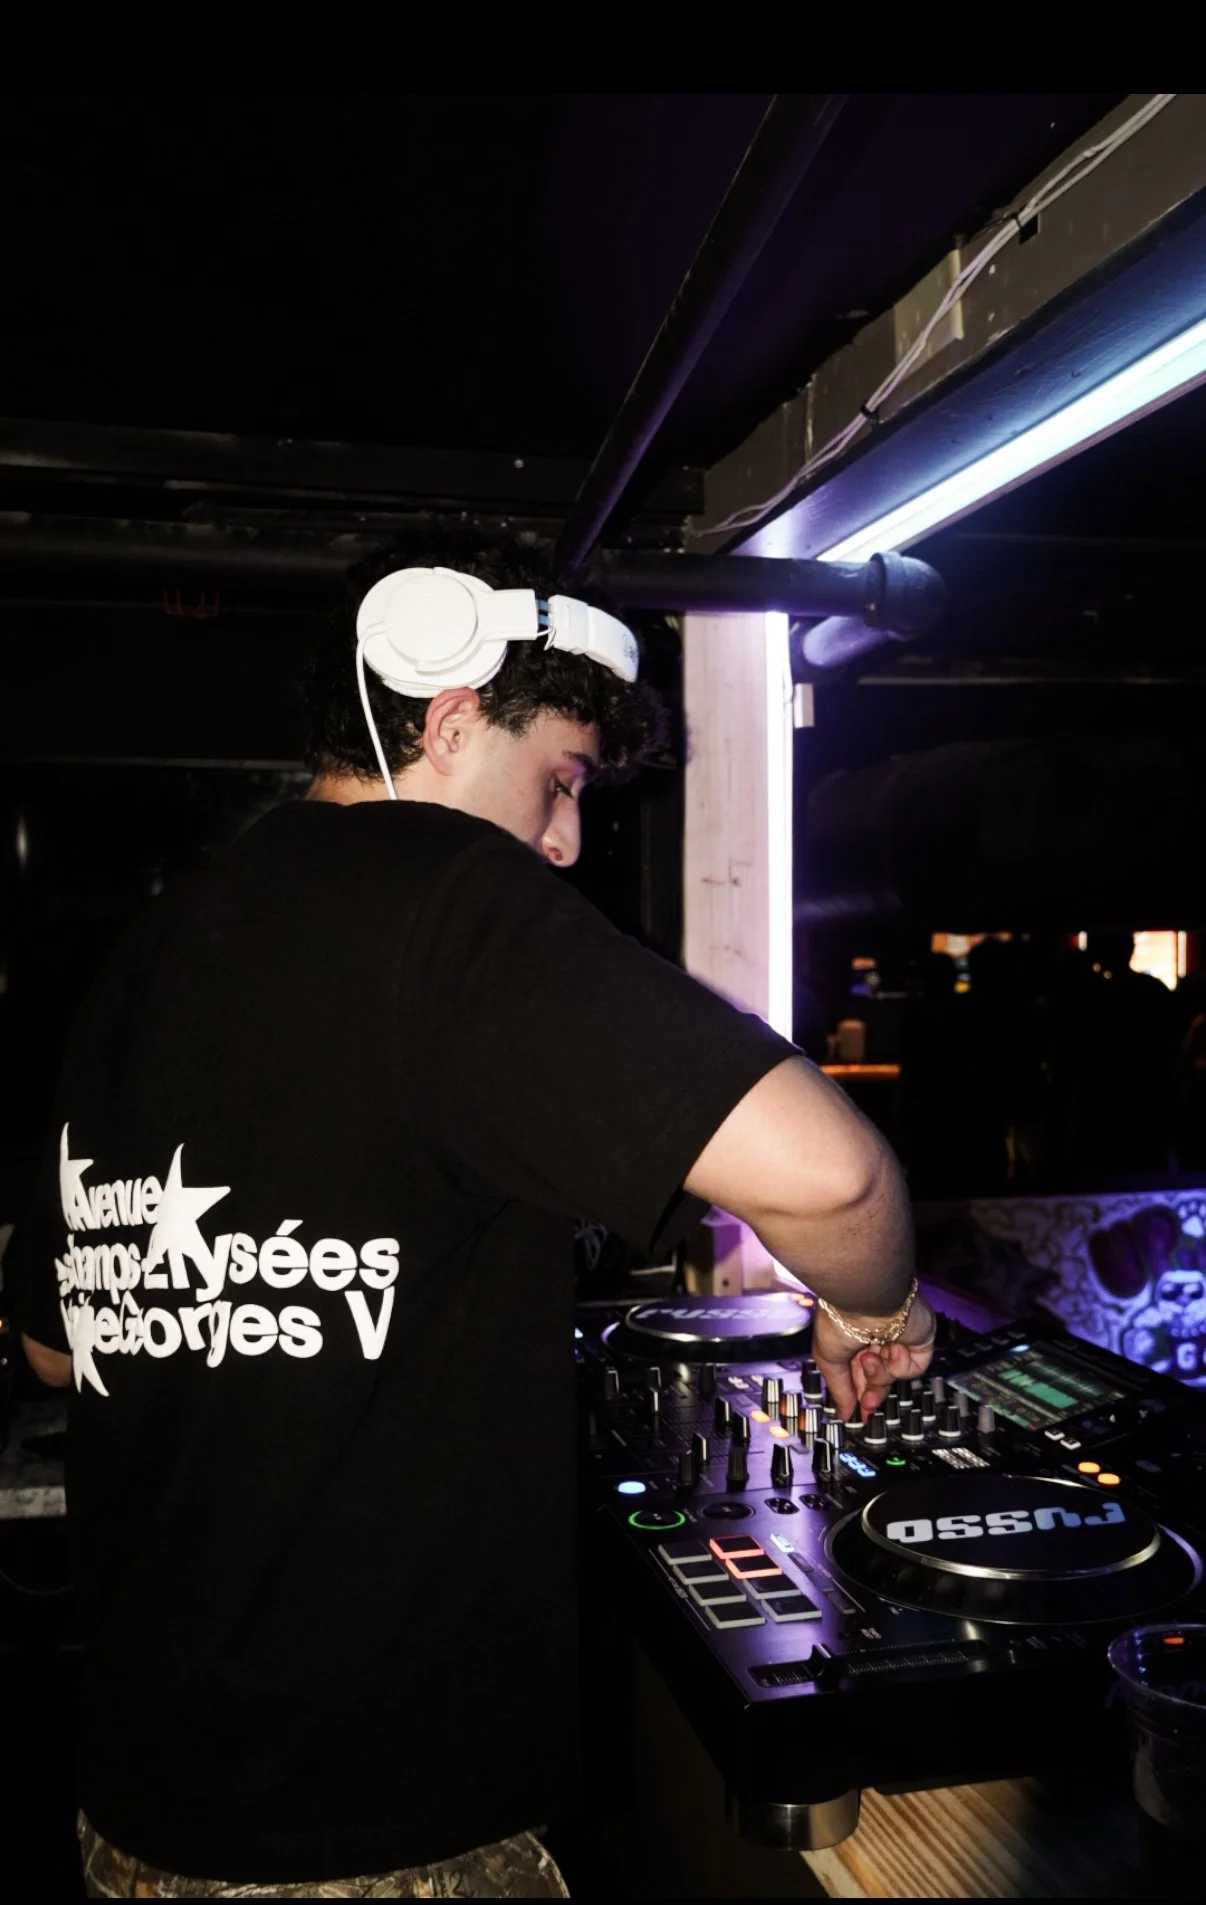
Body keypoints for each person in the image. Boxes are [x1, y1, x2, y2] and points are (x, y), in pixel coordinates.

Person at [6, 544, 931, 1899]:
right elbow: (834, 1176)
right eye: (557, 780)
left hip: (142, 1808)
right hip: (378, 1827)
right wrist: (873, 1303)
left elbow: (48, 1348)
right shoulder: (439, 891)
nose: (562, 840)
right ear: (446, 720)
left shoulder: (152, 952)